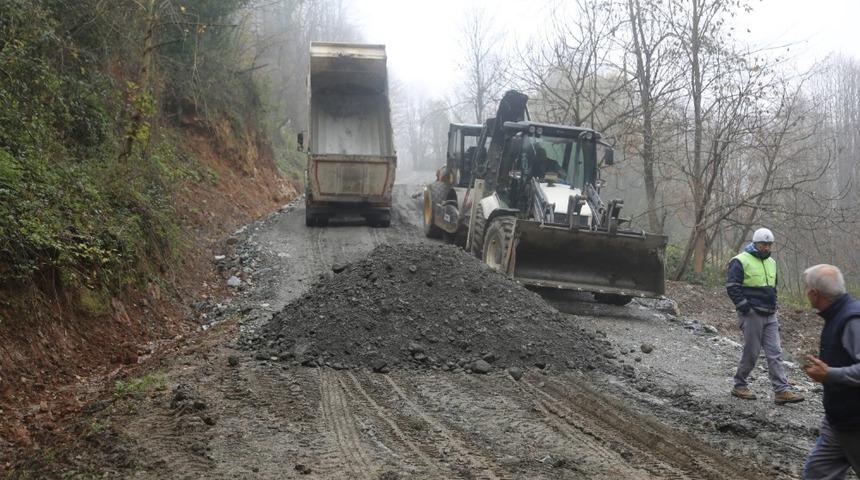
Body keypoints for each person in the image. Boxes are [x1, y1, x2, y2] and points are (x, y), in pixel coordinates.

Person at [726, 227, 805, 404]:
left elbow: (773, 288)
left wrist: (775, 305)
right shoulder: (739, 261)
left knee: (775, 353)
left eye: (769, 245)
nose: (767, 248)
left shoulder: (772, 263)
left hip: (770, 314)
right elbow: (732, 286)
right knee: (752, 352)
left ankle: (781, 390)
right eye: (764, 244)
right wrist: (745, 308)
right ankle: (739, 385)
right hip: (752, 314)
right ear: (755, 243)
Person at [801, 264, 860, 479]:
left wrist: (830, 374)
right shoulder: (836, 315)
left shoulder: (853, 319)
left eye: (806, 287)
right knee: (818, 473)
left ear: (815, 293)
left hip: (856, 423)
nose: (805, 292)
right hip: (838, 420)